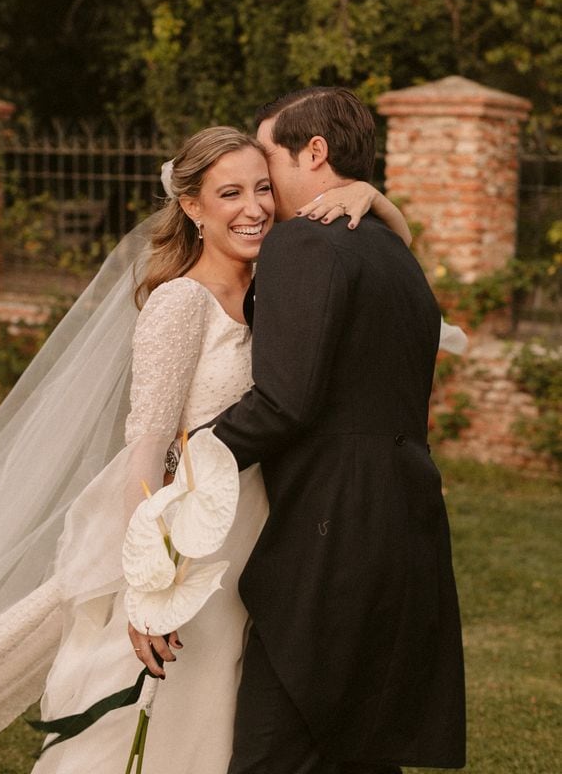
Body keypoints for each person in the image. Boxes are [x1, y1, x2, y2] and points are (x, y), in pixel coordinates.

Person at [0, 124, 414, 774]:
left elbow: (396, 256)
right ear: (191, 206)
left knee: (220, 711)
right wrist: (151, 582)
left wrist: (368, 196)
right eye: (229, 193)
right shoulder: (180, 303)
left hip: (257, 537)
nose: (254, 208)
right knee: (157, 710)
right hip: (187, 541)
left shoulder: (276, 288)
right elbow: (144, 449)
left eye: (263, 189)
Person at [180, 88, 466, 774]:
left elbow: (284, 400)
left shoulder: (303, 241)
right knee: (359, 747)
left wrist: (193, 455)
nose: (264, 182)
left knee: (276, 748)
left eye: (269, 157)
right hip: (405, 526)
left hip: (331, 534)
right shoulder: (396, 252)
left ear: (313, 151)